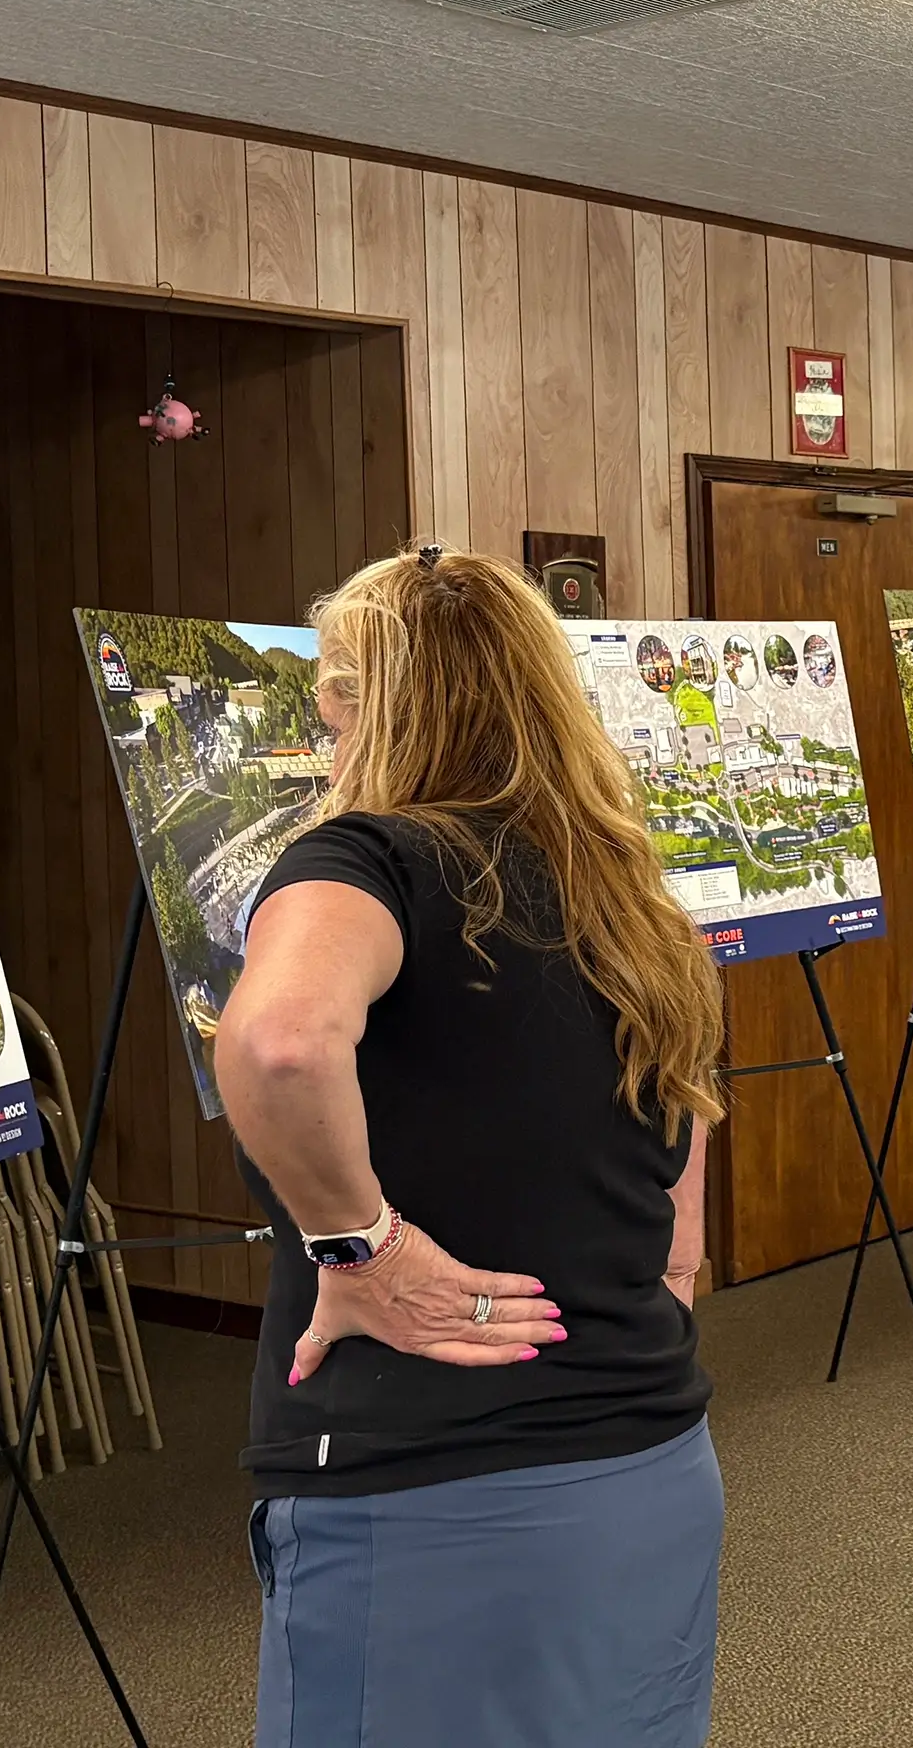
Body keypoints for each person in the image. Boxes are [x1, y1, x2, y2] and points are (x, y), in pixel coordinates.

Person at [212, 543, 727, 1748]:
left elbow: (280, 1041)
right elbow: (686, 1130)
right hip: (647, 1466)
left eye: (335, 721)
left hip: (431, 1499)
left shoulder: (367, 858)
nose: (331, 754)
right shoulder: (631, 897)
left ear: (376, 715)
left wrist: (364, 1248)